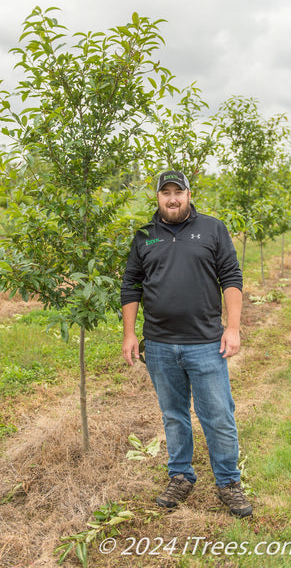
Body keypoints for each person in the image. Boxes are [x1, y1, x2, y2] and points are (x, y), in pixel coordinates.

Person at [121, 170, 252, 517]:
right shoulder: (144, 236)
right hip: (160, 345)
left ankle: (228, 482)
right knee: (174, 416)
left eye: (178, 192)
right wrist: (130, 334)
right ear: (158, 198)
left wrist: (233, 327)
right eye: (166, 193)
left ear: (189, 194)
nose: (172, 198)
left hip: (206, 342)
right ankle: (180, 476)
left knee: (219, 415)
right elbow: (131, 285)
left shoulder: (212, 229)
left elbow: (231, 277)